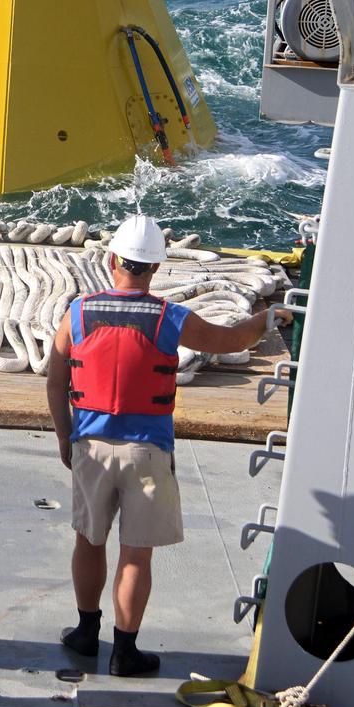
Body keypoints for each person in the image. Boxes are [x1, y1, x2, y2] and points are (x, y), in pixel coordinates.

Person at [46, 213, 291, 677]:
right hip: (148, 454)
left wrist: (65, 436)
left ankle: (84, 633)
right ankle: (124, 651)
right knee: (136, 553)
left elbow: (56, 380)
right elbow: (229, 339)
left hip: (90, 447)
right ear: (156, 268)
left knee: (89, 539)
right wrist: (264, 318)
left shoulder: (76, 314)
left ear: (113, 259)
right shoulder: (170, 317)